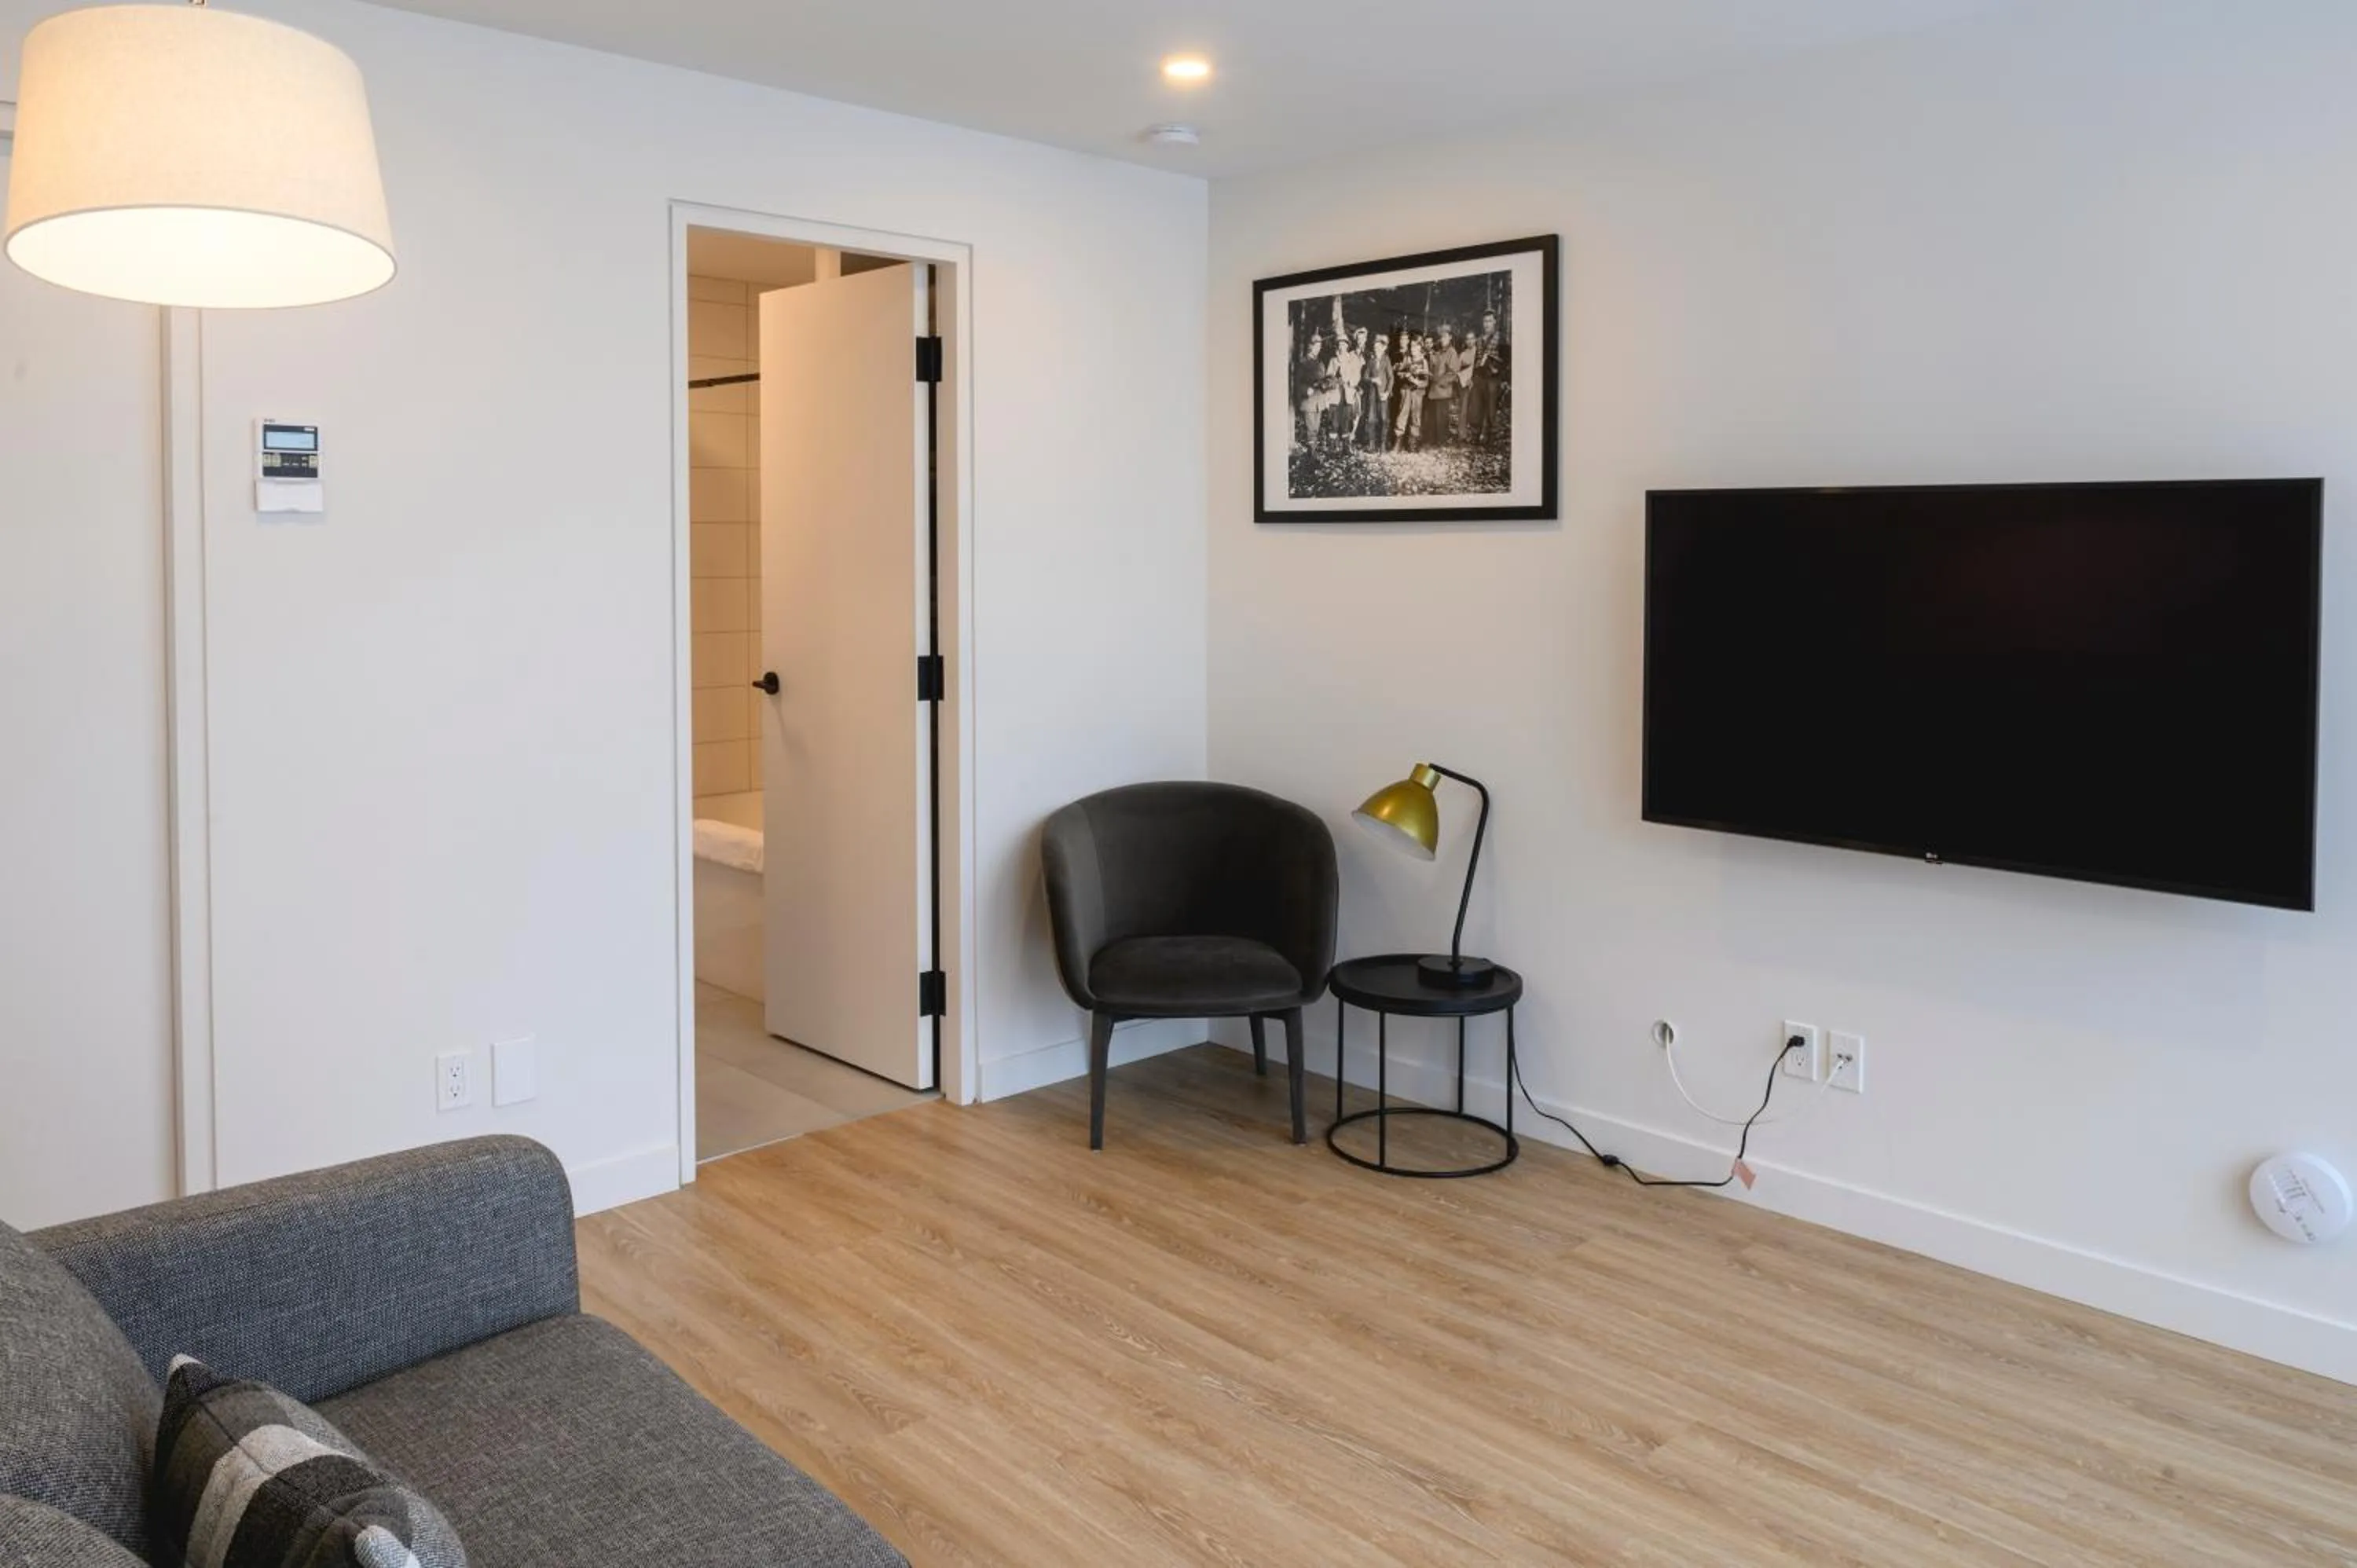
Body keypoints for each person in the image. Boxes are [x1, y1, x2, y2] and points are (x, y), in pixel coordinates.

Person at [1464, 309, 1508, 445]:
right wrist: (1472, 377)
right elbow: (1475, 361)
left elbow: (1507, 360)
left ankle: (1492, 438)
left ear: (1495, 322)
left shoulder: (1501, 338)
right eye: (1485, 321)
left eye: (1490, 321)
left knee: (1491, 409)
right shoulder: (1478, 340)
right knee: (1476, 407)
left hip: (1493, 379)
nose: (1487, 324)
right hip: (1479, 378)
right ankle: (1475, 435)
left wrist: (1502, 376)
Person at [1328, 325, 1365, 447]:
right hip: (1336, 393)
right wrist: (1334, 381)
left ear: (1347, 346)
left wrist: (1351, 381)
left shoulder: (1352, 359)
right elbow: (1328, 376)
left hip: (1348, 392)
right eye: (1339, 344)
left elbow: (1357, 374)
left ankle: (1345, 446)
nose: (1342, 347)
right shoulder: (1333, 360)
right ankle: (1333, 445)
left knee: (1346, 419)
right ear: (1337, 346)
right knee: (1334, 420)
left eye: (1344, 344)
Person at [1424, 325, 1462, 445]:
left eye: (1445, 337)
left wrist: (1440, 382)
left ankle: (1441, 442)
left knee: (1442, 417)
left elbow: (1453, 373)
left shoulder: (1452, 352)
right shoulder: (1439, 352)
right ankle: (1433, 440)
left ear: (1450, 337)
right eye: (1441, 337)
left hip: (1443, 391)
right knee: (1434, 417)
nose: (1443, 339)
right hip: (1434, 390)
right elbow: (1434, 368)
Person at [1392, 336, 1430, 450]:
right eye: (1411, 346)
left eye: (1415, 346)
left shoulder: (1424, 362)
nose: (1412, 348)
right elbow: (1400, 372)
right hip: (1406, 391)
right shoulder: (1407, 358)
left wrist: (1415, 380)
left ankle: (1412, 443)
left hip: (1417, 393)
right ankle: (1398, 442)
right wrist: (1402, 373)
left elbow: (1426, 382)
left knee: (1416, 417)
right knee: (1402, 415)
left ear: (1420, 347)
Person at [1359, 330, 1394, 452]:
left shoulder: (1387, 360)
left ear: (1383, 348)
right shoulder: (1371, 361)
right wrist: (1373, 380)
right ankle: (1371, 444)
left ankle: (1383, 444)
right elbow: (1365, 377)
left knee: (1384, 419)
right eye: (1375, 347)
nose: (1377, 349)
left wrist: (1387, 392)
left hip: (1383, 395)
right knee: (1372, 419)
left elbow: (1391, 378)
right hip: (1372, 396)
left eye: (1379, 347)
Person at [1293, 327, 1326, 452]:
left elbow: (1323, 380)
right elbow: (1297, 382)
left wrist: (1327, 386)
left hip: (1319, 401)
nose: (1318, 349)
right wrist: (1306, 389)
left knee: (1316, 429)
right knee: (1311, 429)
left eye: (1319, 347)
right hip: (1308, 401)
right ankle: (1312, 456)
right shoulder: (1304, 362)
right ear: (1310, 347)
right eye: (1316, 346)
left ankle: (1313, 453)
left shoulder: (1321, 363)